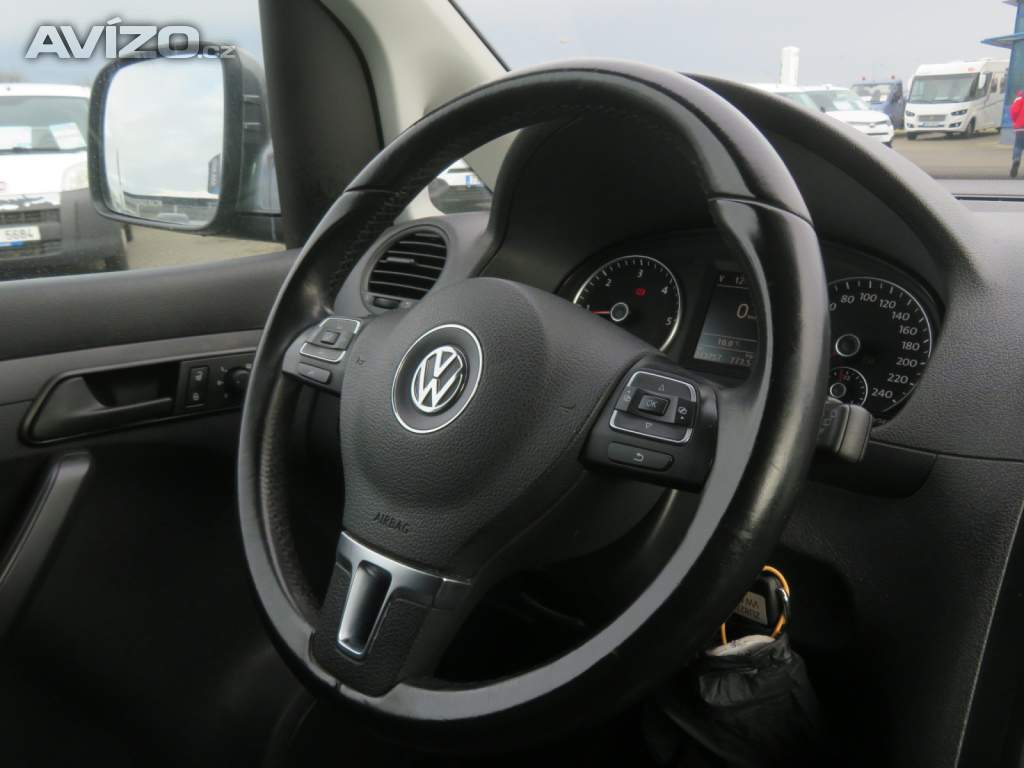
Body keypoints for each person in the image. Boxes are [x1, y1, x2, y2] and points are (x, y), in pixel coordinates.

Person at [1011, 90, 1024, 178]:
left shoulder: (1019, 99)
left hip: (1020, 126)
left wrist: (1016, 121)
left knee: (1018, 146)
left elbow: (1014, 112)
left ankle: (1016, 160)